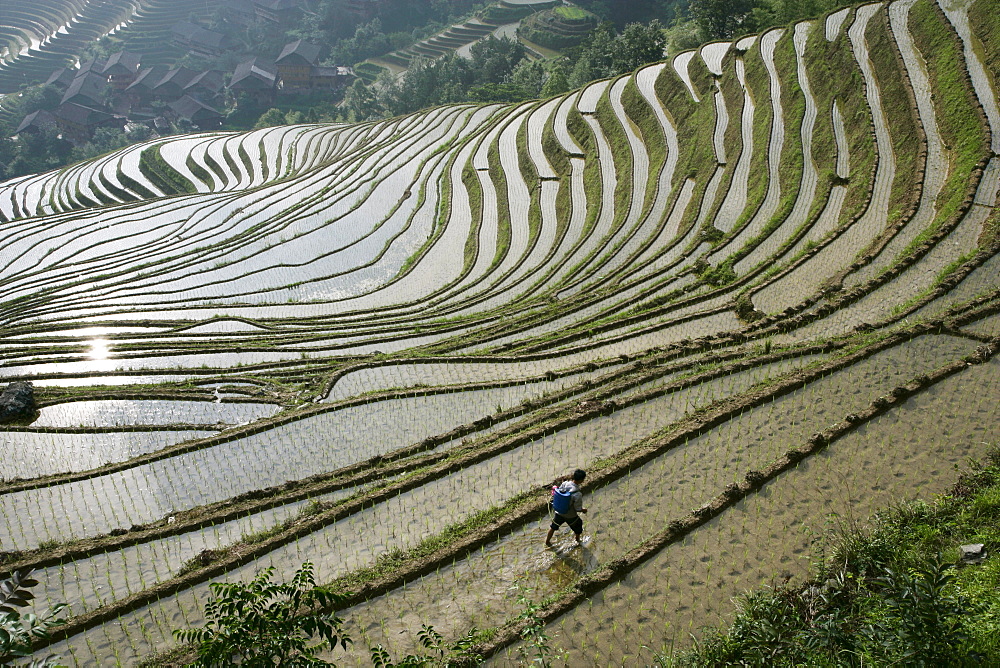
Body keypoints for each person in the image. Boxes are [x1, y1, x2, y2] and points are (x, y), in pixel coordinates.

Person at [546, 469, 587, 546]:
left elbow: (559, 492)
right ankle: (577, 540)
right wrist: (584, 510)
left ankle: (547, 541)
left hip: (559, 512)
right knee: (578, 525)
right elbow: (577, 508)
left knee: (553, 527)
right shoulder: (577, 494)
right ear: (581, 480)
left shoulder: (565, 483)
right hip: (570, 515)